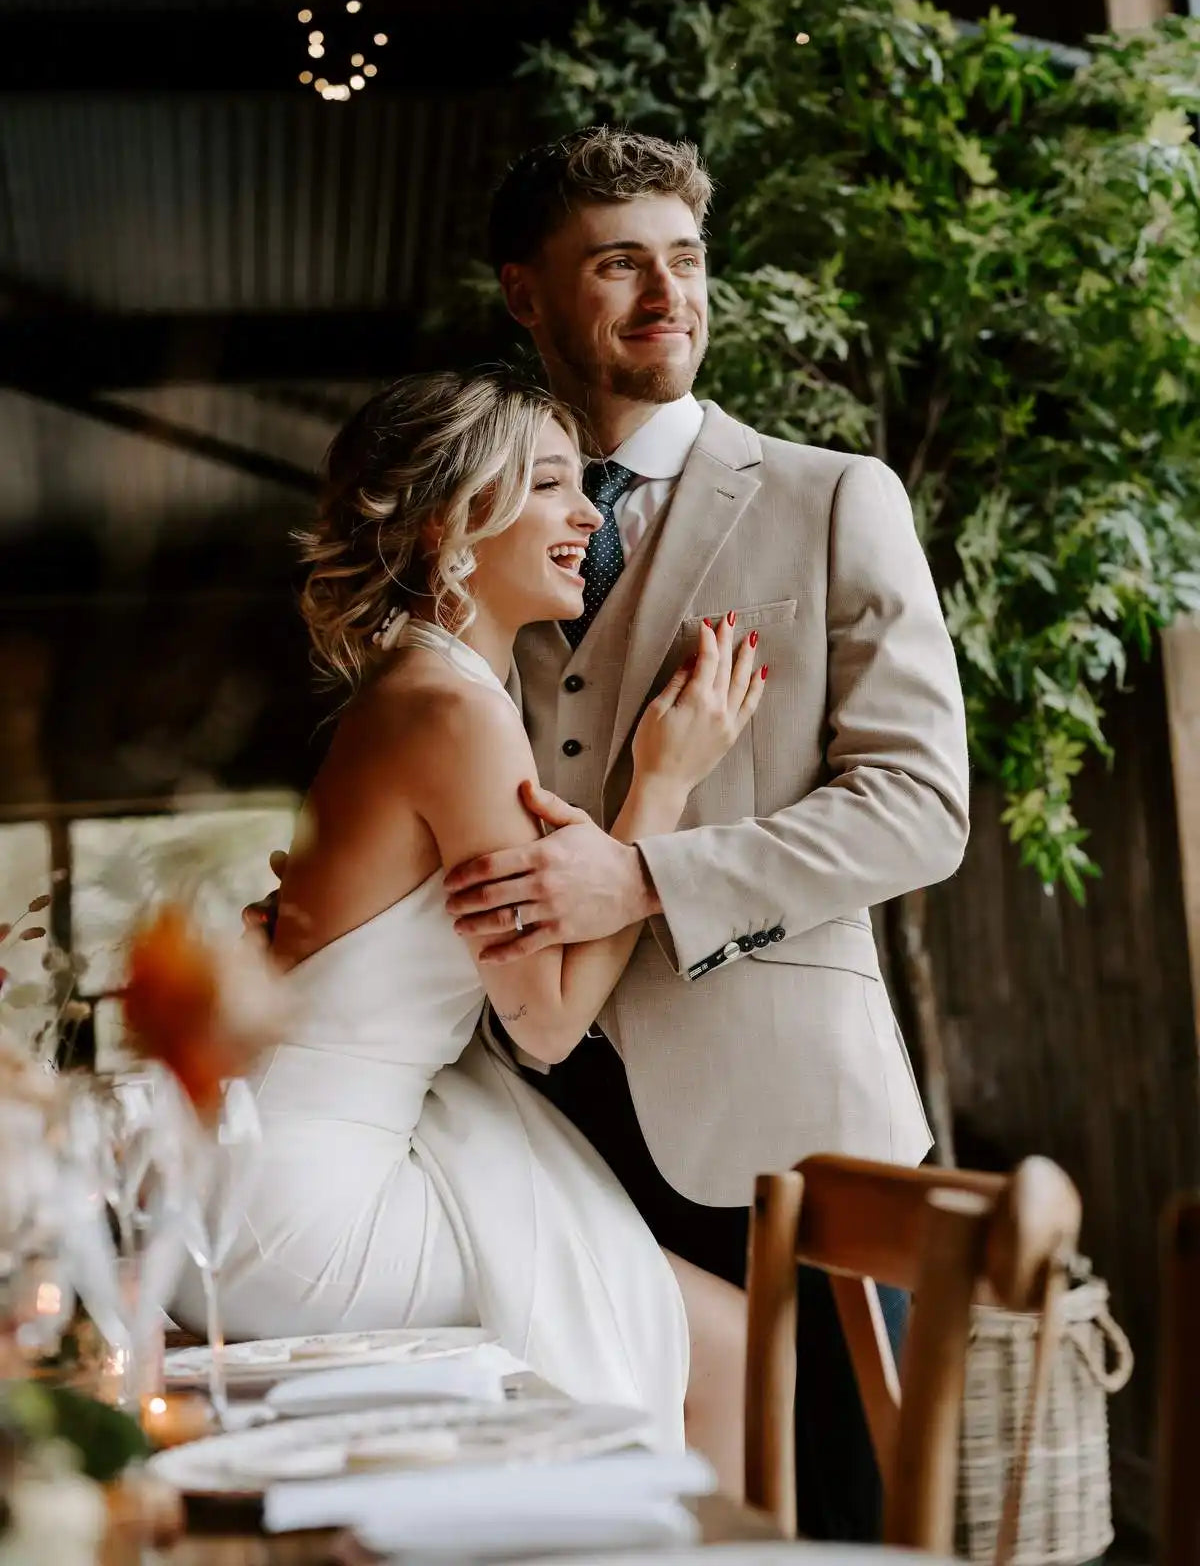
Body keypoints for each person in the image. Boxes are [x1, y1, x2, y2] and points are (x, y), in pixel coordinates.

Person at [433, 127, 971, 1539]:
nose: (669, 294)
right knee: (614, 1532)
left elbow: (922, 808)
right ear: (527, 296)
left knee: (844, 1529)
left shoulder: (833, 498)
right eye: (619, 264)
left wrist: (646, 874)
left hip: (795, 1140)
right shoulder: (478, 533)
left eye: (685, 258)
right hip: (544, 1141)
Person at [182, 369, 762, 1483]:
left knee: (704, 1331)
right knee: (728, 1348)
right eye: (550, 485)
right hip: (311, 1205)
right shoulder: (454, 711)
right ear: (452, 522)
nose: (589, 514)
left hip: (274, 1162)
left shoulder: (414, 692)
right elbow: (542, 1022)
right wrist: (664, 787)